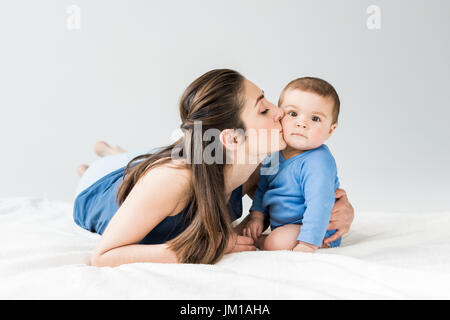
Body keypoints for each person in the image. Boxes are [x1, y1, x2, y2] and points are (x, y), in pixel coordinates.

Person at [74, 69, 354, 267]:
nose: (280, 112)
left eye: (268, 100)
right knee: (114, 167)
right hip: (101, 188)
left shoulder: (261, 162)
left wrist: (344, 211)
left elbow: (296, 198)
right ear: (232, 138)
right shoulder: (171, 182)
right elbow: (103, 256)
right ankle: (104, 159)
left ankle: (119, 153)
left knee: (161, 153)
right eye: (264, 110)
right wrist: (211, 246)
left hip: (167, 163)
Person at [244, 77, 344, 253]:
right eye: (293, 114)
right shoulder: (274, 152)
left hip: (316, 228)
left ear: (331, 129)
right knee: (262, 234)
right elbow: (263, 188)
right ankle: (262, 241)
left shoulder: (318, 161)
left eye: (315, 118)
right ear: (279, 115)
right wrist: (256, 217)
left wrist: (308, 243)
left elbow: (319, 205)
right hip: (286, 226)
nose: (301, 123)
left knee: (276, 242)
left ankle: (265, 244)